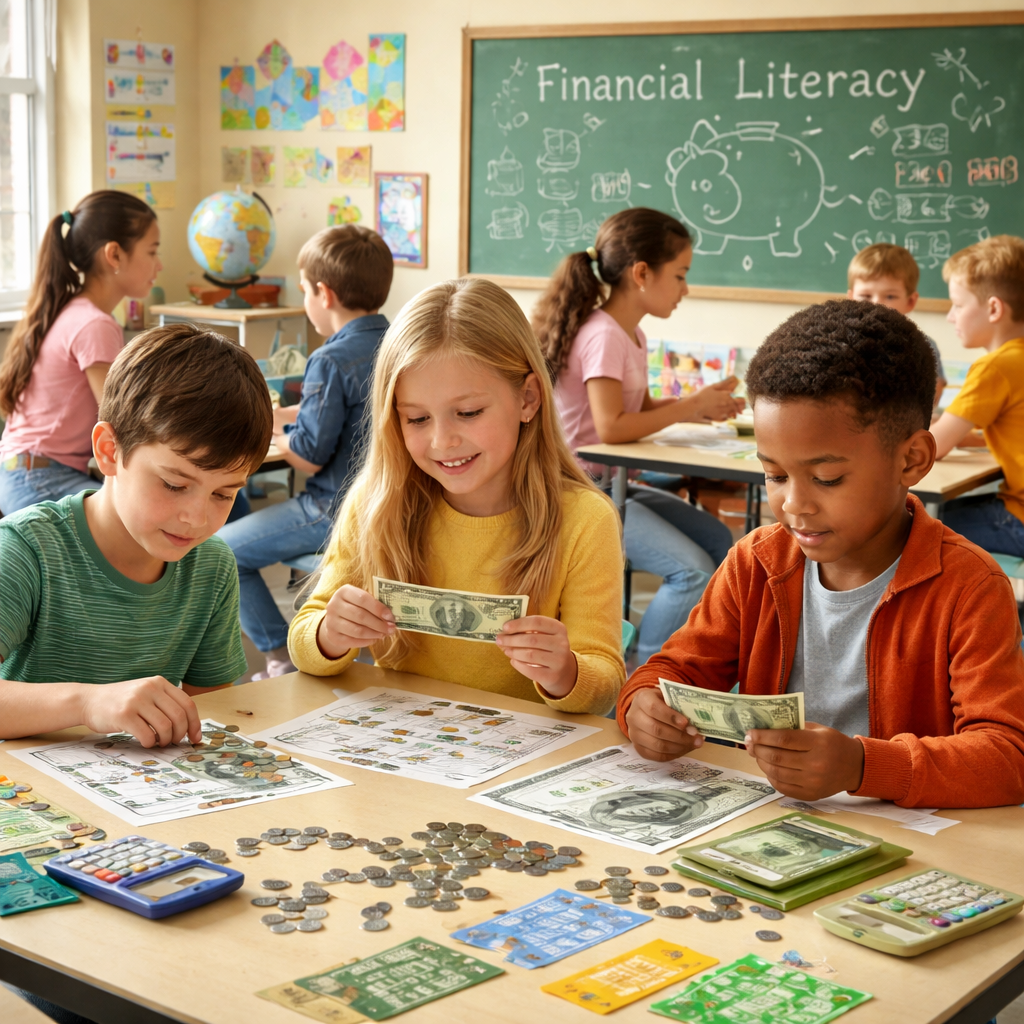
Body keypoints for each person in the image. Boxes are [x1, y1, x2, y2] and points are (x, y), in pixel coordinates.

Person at [616, 300, 1024, 809]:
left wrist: (861, 766)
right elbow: (672, 671)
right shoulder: (756, 564)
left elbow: (1007, 756)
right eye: (775, 475)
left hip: (912, 844)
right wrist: (643, 707)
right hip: (768, 824)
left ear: (912, 459)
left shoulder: (968, 586)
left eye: (827, 479)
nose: (794, 504)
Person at [288, 278, 625, 715]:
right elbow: (304, 635)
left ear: (527, 398)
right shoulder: (379, 503)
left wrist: (566, 672)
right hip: (405, 745)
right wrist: (328, 636)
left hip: (524, 756)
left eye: (468, 413)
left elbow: (604, 681)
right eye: (416, 419)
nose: (443, 441)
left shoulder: (584, 520)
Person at [0, 323, 273, 743]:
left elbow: (216, 714)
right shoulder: (26, 550)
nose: (196, 519)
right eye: (173, 485)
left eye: (223, 494)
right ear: (110, 451)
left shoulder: (211, 566)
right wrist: (88, 704)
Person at [533, 207, 742, 664]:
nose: (686, 289)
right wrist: (689, 407)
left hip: (614, 484)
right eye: (681, 275)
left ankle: (691, 657)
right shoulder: (604, 334)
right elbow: (612, 426)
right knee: (692, 573)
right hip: (580, 492)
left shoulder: (631, 333)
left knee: (718, 542)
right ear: (642, 273)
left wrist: (700, 405)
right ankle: (644, 673)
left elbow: (641, 412)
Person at [219, 226, 392, 679]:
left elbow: (310, 456)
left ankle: (278, 656)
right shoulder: (396, 343)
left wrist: (277, 440)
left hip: (329, 509)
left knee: (221, 551)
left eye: (303, 291)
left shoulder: (328, 360)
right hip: (384, 506)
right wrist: (284, 415)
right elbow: (348, 408)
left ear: (324, 293)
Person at [0, 191, 160, 514]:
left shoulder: (72, 308)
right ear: (114, 254)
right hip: (40, 477)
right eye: (152, 251)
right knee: (142, 515)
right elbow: (120, 419)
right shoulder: (94, 325)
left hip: (24, 470)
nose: (159, 265)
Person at [930, 235, 1024, 556]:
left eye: (957, 304)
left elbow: (934, 447)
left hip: (1020, 521)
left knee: (908, 523)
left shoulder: (995, 367)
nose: (950, 316)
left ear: (994, 308)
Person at [847, 242, 948, 411]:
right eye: (865, 296)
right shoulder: (841, 341)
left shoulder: (923, 345)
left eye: (890, 296)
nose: (877, 304)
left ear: (910, 301)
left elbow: (934, 392)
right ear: (850, 299)